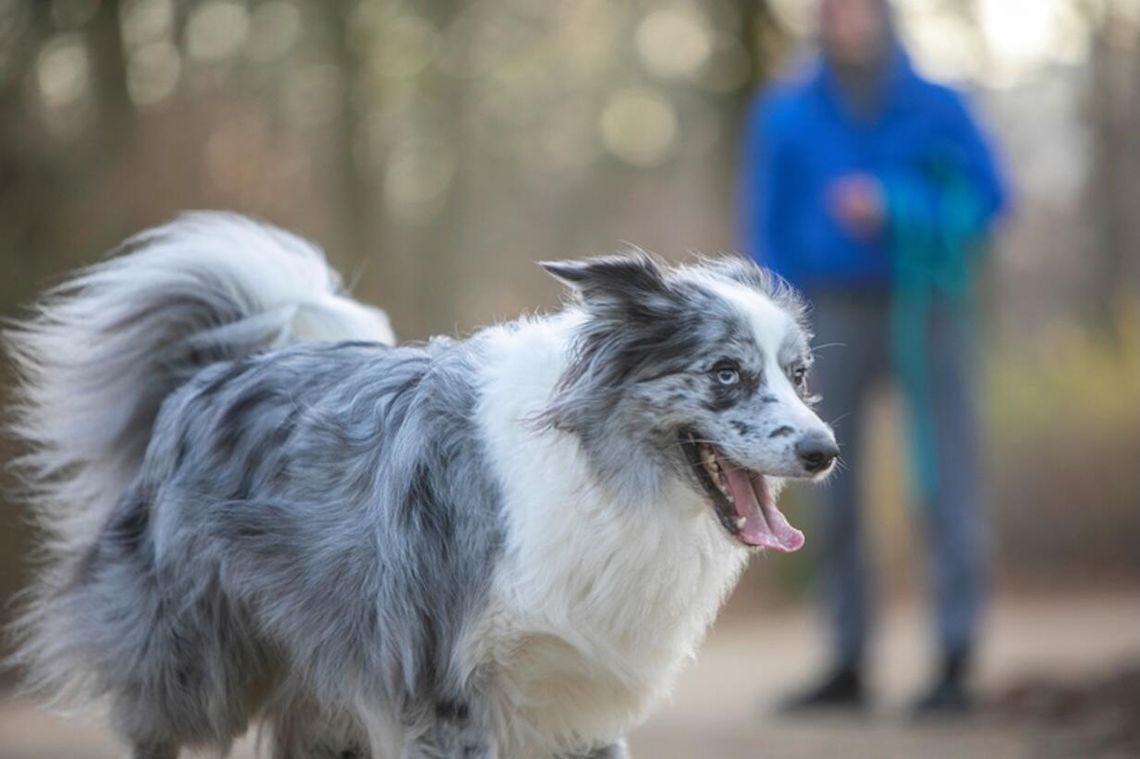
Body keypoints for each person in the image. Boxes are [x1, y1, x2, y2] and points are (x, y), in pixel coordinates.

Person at [739, 0, 1008, 715]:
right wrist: (782, 341)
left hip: (929, 305)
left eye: (860, 8)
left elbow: (990, 198)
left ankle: (955, 657)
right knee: (826, 481)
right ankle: (847, 659)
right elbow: (765, 233)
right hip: (826, 313)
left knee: (947, 476)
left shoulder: (939, 104)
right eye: (834, 10)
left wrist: (895, 203)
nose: (848, 20)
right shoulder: (785, 114)